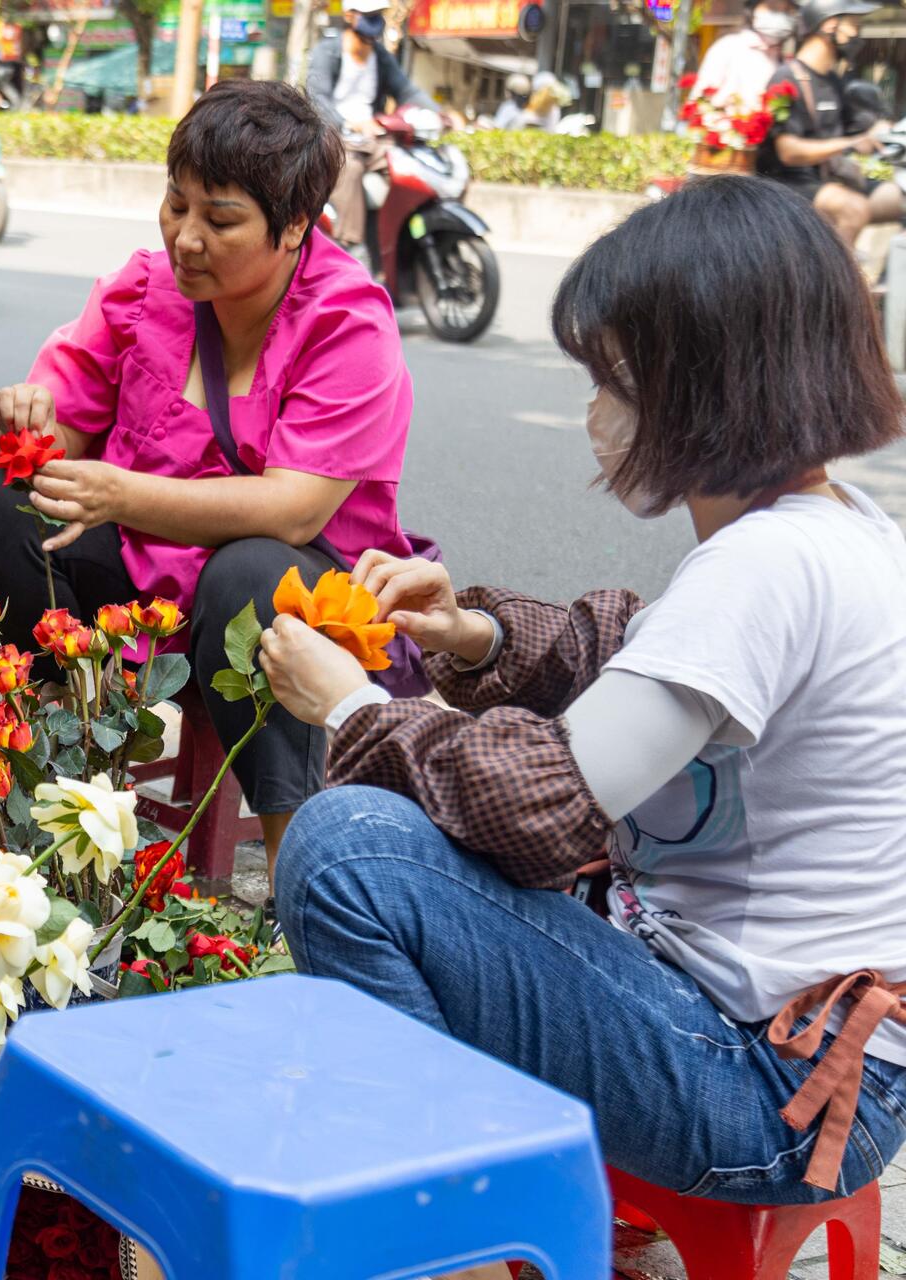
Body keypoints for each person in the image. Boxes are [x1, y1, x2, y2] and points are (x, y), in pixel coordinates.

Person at [260, 176, 906, 1231]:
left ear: (703, 388)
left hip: (767, 1088)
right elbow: (635, 657)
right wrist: (472, 633)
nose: (596, 413)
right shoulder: (838, 530)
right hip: (820, 1063)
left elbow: (535, 808)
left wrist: (350, 711)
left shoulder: (767, 564)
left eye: (614, 380)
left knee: (347, 851)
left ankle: (444, 1237)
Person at [0, 80, 418, 873]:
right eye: (176, 205)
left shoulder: (348, 326)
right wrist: (30, 428)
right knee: (3, 507)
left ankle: (297, 874)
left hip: (297, 590)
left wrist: (119, 493)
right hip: (146, 577)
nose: (186, 238)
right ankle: (53, 767)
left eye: (221, 219)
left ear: (294, 227)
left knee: (254, 577)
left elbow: (294, 509)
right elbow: (63, 439)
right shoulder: (143, 289)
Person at [758, 0, 900, 248]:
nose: (858, 34)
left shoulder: (834, 80)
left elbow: (857, 129)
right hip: (790, 183)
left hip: (828, 178)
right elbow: (788, 152)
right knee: (853, 208)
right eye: (854, 25)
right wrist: (851, 143)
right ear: (830, 25)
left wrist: (883, 132)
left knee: (898, 196)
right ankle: (834, 271)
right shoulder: (788, 78)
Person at [305, 0, 436, 252]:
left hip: (373, 139)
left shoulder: (381, 57)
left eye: (378, 14)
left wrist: (440, 114)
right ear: (349, 16)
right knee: (349, 168)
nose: (375, 21)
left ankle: (400, 241)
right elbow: (317, 98)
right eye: (368, 14)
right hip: (337, 138)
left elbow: (407, 91)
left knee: (408, 166)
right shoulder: (326, 52)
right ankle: (348, 245)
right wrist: (348, 124)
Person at [693, 0, 798, 107]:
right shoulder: (728, 47)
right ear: (752, 8)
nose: (780, 16)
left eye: (787, 10)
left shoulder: (789, 63)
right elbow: (700, 101)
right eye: (773, 8)